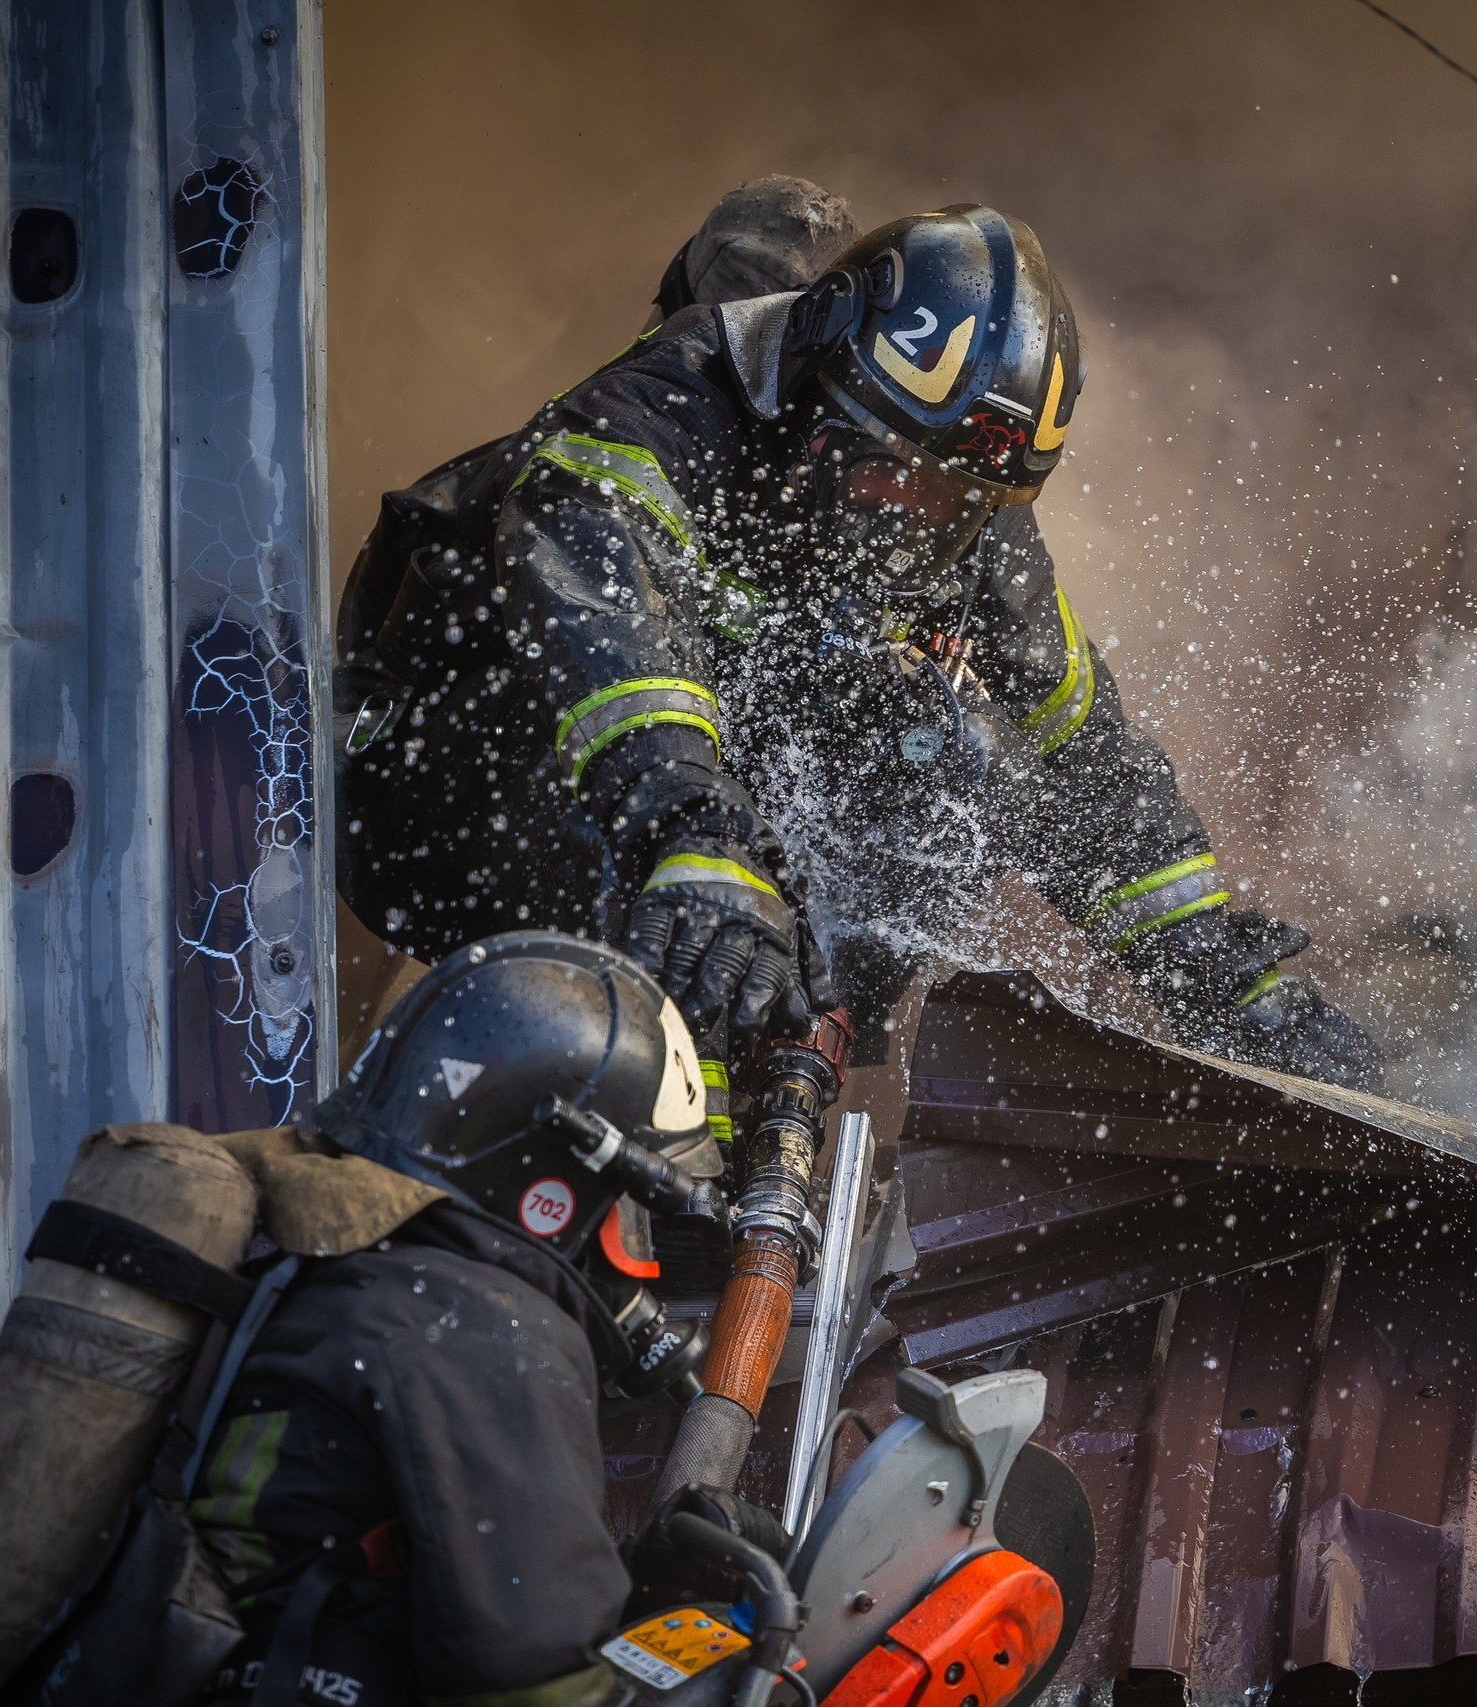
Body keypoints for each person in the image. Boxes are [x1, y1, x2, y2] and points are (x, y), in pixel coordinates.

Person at [334, 191, 1381, 1091]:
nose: (912, 518)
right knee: (684, 826)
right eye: (889, 474)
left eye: (952, 501)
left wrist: (1221, 977)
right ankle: (638, 1111)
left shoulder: (962, 499)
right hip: (443, 798)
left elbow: (1080, 759)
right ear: (818, 386)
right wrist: (699, 837)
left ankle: (759, 1105)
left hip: (678, 810)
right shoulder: (652, 421)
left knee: (950, 738)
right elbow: (611, 644)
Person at [185, 932, 715, 1707]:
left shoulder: (343, 1281)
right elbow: (538, 1687)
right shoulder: (480, 1326)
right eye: (625, 1213)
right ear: (552, 1190)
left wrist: (649, 1588)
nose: (632, 1259)